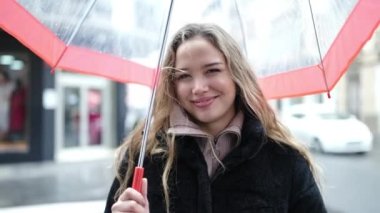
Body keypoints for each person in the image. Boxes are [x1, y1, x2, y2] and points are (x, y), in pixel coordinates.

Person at [105, 23, 327, 213]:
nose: (199, 88)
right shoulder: (145, 154)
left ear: (236, 74)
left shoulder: (283, 157)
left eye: (212, 70)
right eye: (184, 76)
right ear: (173, 84)